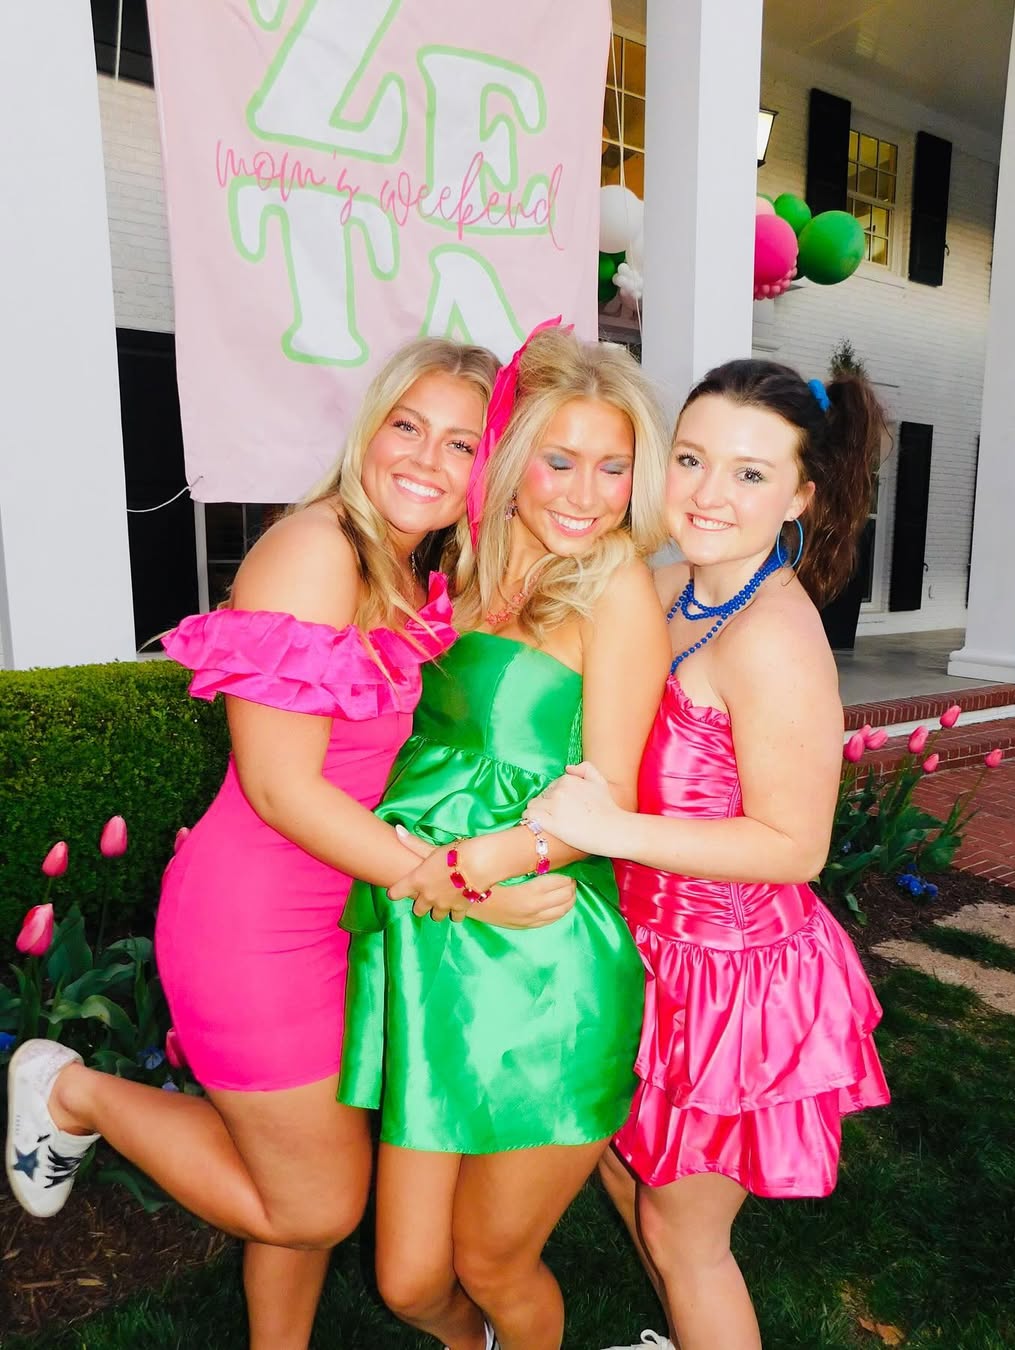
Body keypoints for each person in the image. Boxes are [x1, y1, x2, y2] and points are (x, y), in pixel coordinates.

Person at [7, 336, 562, 1350]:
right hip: (254, 927)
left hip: (340, 916)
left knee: (301, 1168)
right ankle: (69, 1090)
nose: (426, 459)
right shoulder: (318, 550)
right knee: (316, 1203)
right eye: (408, 426)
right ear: (370, 429)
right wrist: (451, 882)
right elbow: (279, 785)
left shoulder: (399, 567)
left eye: (460, 445)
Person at [527, 359, 893, 1350]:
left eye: (749, 473)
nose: (707, 493)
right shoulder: (666, 585)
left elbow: (795, 846)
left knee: (685, 1238)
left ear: (800, 497)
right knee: (624, 1170)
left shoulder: (775, 639)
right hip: (643, 951)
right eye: (691, 459)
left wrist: (609, 832)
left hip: (730, 979)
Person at [337, 325, 671, 1350]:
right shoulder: (461, 566)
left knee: (492, 1262)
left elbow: (608, 798)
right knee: (406, 1279)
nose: (586, 493)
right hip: (430, 936)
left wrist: (473, 865)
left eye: (613, 466)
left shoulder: (615, 587)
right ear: (514, 456)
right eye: (560, 460)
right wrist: (428, 876)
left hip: (543, 954)